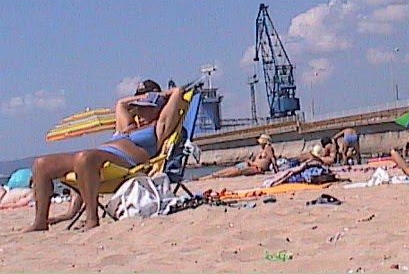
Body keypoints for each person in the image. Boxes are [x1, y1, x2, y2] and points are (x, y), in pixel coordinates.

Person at [25, 83, 184, 231]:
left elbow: (178, 92)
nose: (140, 111)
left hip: (124, 162)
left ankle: (92, 218)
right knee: (41, 164)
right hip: (98, 156)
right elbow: (120, 104)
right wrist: (143, 98)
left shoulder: (157, 128)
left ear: (158, 109)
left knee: (85, 158)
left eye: (145, 108)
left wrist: (163, 95)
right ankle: (40, 222)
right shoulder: (129, 126)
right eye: (138, 108)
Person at [207, 134, 279, 178]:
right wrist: (249, 161)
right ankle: (212, 175)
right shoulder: (261, 149)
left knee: (239, 171)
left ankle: (217, 175)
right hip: (252, 166)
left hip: (258, 169)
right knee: (233, 168)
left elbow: (273, 159)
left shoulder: (268, 148)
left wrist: (277, 171)